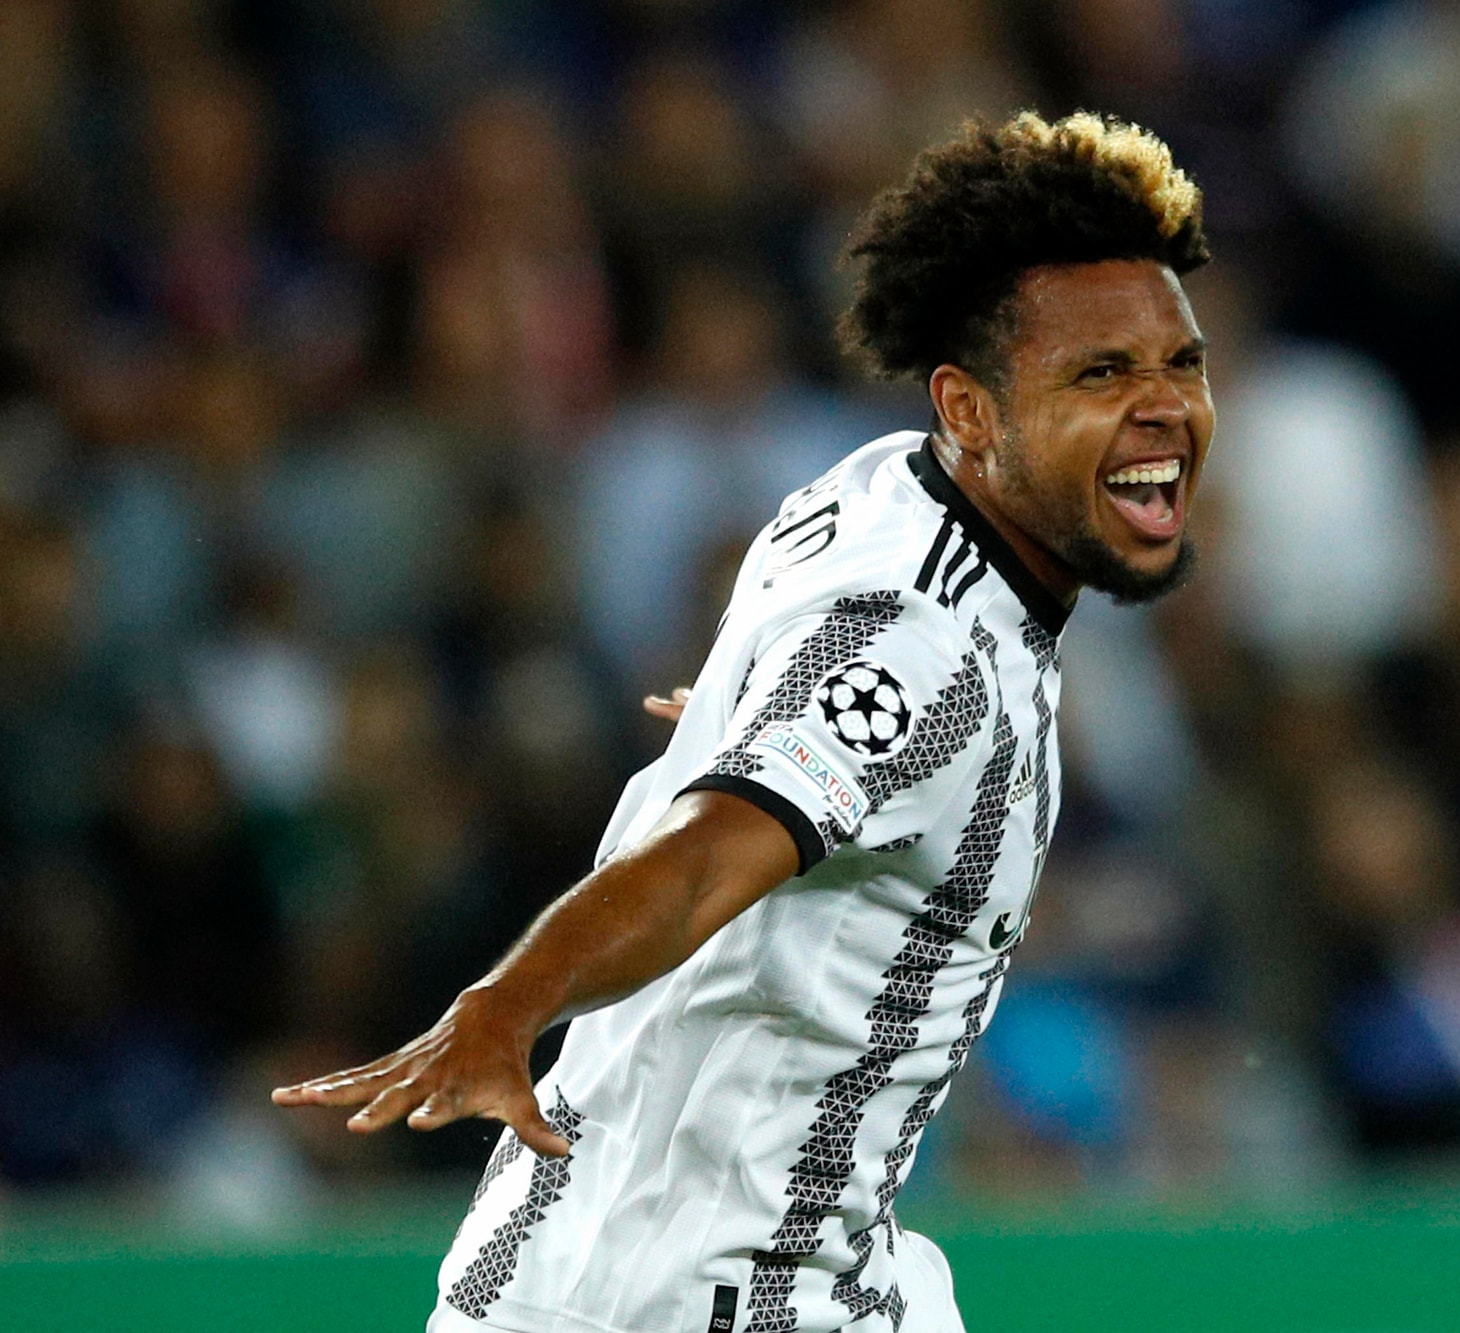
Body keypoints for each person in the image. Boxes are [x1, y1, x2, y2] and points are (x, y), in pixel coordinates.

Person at [272, 110, 1215, 1333]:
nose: (1163, 406)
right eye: (1100, 373)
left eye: (1180, 363)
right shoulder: (922, 643)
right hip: (711, 1301)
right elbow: (702, 859)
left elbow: (808, 723)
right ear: (972, 410)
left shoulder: (874, 487)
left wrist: (753, 721)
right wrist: (506, 1005)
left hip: (584, 1270)